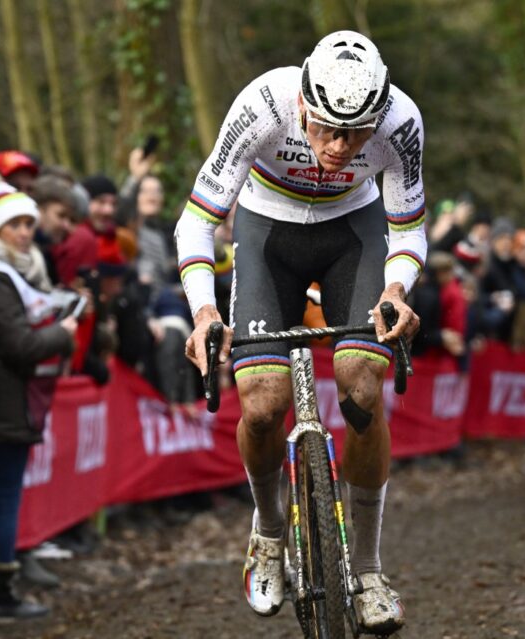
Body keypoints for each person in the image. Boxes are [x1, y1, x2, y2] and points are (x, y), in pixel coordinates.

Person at [176, 31, 422, 634]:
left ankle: (366, 569)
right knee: (261, 403)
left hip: (353, 237)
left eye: (356, 133)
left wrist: (396, 290)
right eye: (326, 130)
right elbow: (196, 220)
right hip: (267, 236)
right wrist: (205, 311)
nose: (339, 147)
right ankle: (267, 532)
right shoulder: (262, 103)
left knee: (363, 387)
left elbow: (410, 225)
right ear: (304, 105)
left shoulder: (402, 121)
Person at [0, 183, 75, 623]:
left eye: (28, 223)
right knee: (2, 496)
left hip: (2, 398)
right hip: (2, 400)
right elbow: (17, 343)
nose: (25, 233)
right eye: (14, 225)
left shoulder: (1, 269)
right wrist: (63, 334)